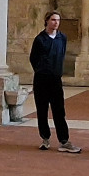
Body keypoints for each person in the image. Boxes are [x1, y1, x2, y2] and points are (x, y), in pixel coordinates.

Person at [28, 10, 79, 152]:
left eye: (58, 20)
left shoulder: (62, 37)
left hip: (56, 79)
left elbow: (61, 54)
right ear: (47, 21)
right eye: (53, 20)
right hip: (42, 79)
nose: (56, 22)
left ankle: (64, 140)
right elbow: (33, 58)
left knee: (59, 110)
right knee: (42, 110)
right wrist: (41, 70)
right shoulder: (40, 39)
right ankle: (45, 138)